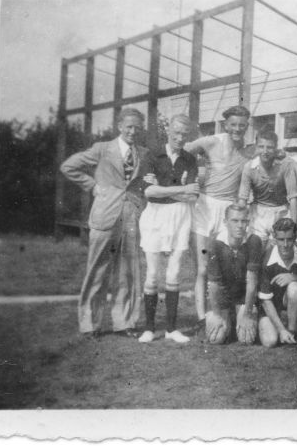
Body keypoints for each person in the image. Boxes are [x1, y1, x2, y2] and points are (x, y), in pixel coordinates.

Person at [60, 108, 152, 338]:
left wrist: (145, 187)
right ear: (119, 126)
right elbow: (69, 166)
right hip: (105, 215)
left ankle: (124, 322)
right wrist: (92, 186)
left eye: (137, 127)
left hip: (131, 217)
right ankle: (90, 324)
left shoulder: (143, 153)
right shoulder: (102, 149)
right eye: (129, 126)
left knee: (127, 272)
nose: (133, 131)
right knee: (97, 270)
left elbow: (142, 183)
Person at [184, 105, 253, 331]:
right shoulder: (211, 142)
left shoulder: (249, 151)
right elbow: (183, 150)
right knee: (203, 267)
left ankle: (226, 312)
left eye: (242, 125)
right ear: (225, 125)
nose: (237, 129)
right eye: (233, 124)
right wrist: (192, 175)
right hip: (205, 207)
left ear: (247, 126)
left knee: (228, 264)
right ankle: (201, 317)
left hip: (228, 210)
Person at [137, 114, 199, 344]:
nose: (180, 138)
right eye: (176, 133)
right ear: (168, 131)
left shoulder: (190, 159)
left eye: (184, 134)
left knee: (173, 273)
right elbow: (148, 192)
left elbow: (193, 195)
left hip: (181, 216)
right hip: (155, 216)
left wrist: (162, 189)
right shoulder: (152, 155)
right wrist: (180, 188)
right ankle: (149, 328)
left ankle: (172, 329)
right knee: (152, 274)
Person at [204, 204, 262, 345]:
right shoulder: (214, 244)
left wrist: (247, 314)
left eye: (243, 221)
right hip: (222, 297)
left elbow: (252, 282)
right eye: (235, 221)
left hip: (243, 298)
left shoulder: (254, 241)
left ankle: (238, 317)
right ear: (225, 222)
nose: (240, 226)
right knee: (216, 339)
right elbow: (214, 284)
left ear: (248, 222)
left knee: (246, 340)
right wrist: (217, 315)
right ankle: (227, 318)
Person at [257, 218, 297, 348]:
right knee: (270, 341)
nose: (285, 244)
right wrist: (281, 330)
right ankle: (283, 329)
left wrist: (295, 278)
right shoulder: (266, 259)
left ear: (295, 238)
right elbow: (266, 301)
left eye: (289, 239)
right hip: (273, 308)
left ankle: (292, 331)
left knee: (294, 287)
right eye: (281, 239)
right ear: (274, 238)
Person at [238, 129, 297, 243]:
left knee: (279, 247)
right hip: (258, 213)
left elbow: (293, 198)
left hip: (281, 211)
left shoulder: (285, 165)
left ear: (276, 148)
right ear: (256, 147)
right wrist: (240, 223)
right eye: (261, 147)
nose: (265, 151)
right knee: (255, 246)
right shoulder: (249, 167)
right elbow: (242, 199)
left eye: (270, 147)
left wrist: (294, 227)